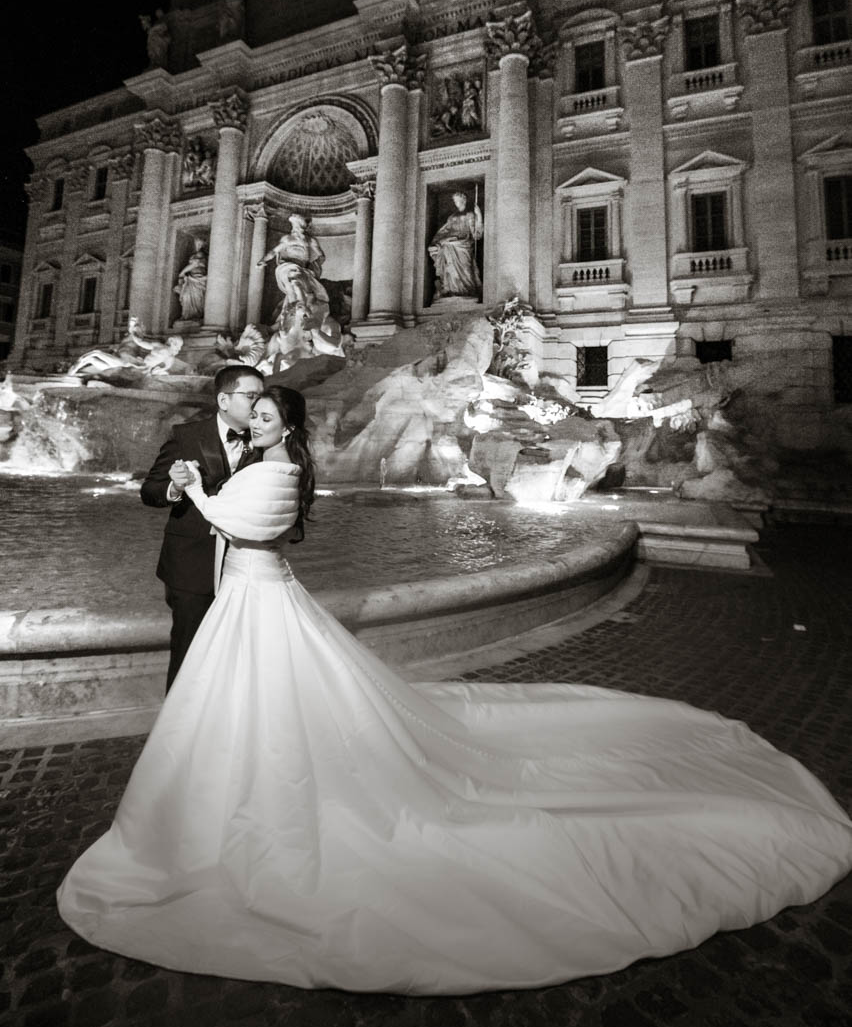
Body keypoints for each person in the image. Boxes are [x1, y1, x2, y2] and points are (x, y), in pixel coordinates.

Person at [58, 386, 852, 993]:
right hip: (250, 597)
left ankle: (253, 793)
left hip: (257, 593)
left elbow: (246, 526)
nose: (258, 417)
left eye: (268, 410)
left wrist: (197, 486)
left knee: (272, 701)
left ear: (285, 422)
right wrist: (203, 479)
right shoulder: (268, 458)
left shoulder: (281, 464)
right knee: (266, 700)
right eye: (254, 408)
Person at [139, 363, 264, 689]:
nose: (260, 404)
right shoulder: (186, 436)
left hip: (246, 565)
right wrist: (175, 488)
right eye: (252, 396)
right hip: (190, 564)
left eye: (262, 397)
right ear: (224, 400)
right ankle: (177, 731)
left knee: (237, 655)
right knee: (188, 651)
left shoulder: (266, 440)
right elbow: (149, 492)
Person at [428, 191, 484, 299]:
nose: (456, 202)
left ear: (464, 200)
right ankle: (450, 288)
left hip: (464, 243)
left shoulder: (470, 215)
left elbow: (476, 235)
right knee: (445, 248)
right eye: (455, 201)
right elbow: (444, 231)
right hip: (451, 242)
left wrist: (479, 216)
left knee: (465, 266)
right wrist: (437, 241)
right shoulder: (451, 217)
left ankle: (466, 290)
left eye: (458, 200)